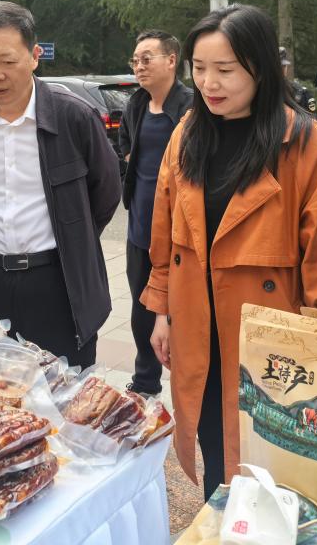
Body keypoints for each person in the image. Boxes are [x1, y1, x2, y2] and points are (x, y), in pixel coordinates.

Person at [144, 4, 317, 499]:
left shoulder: (301, 141)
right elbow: (164, 233)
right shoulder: (187, 133)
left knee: (271, 465)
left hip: (270, 341)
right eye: (199, 68)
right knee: (215, 449)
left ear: (259, 68)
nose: (209, 83)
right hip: (198, 327)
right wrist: (161, 312)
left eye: (225, 69)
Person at [0, 1, 121, 367]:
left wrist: (74, 237)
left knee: (64, 388)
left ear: (34, 56)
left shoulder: (73, 116)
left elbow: (106, 192)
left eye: (8, 62)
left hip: (58, 282)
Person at [118, 29, 192, 397]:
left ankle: (187, 381)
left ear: (171, 60)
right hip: (140, 228)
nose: (139, 66)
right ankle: (145, 380)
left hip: (180, 232)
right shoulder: (136, 104)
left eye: (146, 59)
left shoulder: (192, 107)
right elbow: (124, 145)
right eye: (135, 60)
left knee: (181, 311)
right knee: (141, 307)